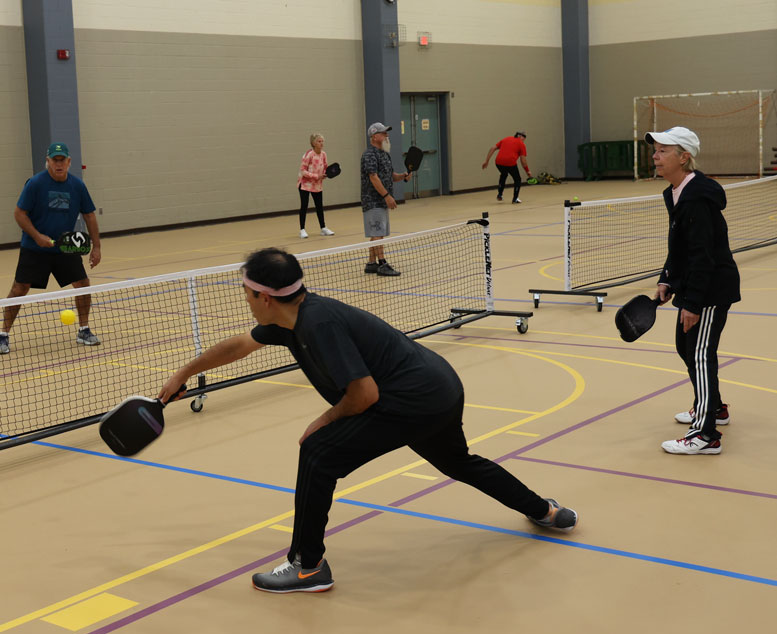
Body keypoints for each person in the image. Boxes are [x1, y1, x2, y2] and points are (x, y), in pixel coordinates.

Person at [157, 247, 577, 593]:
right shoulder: (290, 319)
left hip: (410, 400)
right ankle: (543, 510)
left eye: (246, 292)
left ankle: (307, 566)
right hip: (440, 387)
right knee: (458, 461)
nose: (244, 299)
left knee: (319, 454)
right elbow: (238, 346)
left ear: (263, 297)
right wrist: (185, 373)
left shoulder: (318, 325)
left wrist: (323, 421)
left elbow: (364, 395)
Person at [647, 126, 740, 455]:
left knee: (700, 354)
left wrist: (694, 303)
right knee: (687, 349)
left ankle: (705, 435)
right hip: (695, 284)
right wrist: (667, 277)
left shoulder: (698, 197)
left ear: (683, 157)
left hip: (711, 288)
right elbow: (680, 246)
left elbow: (704, 254)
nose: (655, 157)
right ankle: (713, 406)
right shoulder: (673, 192)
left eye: (662, 151)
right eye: (655, 150)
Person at [0, 142, 102, 355]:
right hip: (34, 248)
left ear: (69, 162)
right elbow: (19, 213)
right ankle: (3, 335)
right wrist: (37, 236)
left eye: (62, 160)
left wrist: (96, 246)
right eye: (55, 160)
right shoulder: (35, 184)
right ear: (48, 162)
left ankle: (83, 329)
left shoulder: (77, 186)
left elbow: (89, 214)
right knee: (19, 289)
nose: (59, 164)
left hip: (64, 247)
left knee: (83, 284)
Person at [360, 122, 410, 276]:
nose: (387, 136)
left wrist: (402, 176)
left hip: (381, 201)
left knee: (378, 232)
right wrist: (387, 196)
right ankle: (382, 264)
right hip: (373, 200)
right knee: (377, 231)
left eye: (386, 133)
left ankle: (371, 263)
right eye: (383, 133)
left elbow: (390, 176)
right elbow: (373, 177)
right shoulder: (369, 155)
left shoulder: (384, 154)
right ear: (375, 137)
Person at [297, 133, 334, 239]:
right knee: (304, 206)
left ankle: (323, 228)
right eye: (319, 141)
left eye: (322, 141)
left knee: (319, 207)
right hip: (305, 184)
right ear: (313, 143)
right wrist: (317, 176)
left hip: (317, 184)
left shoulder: (324, 154)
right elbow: (303, 171)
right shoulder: (308, 155)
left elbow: (326, 167)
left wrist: (326, 174)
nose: (321, 143)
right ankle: (302, 230)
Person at [481, 131, 531, 203]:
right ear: (521, 137)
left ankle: (500, 194)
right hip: (510, 163)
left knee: (504, 174)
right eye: (524, 138)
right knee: (517, 180)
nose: (524, 140)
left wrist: (486, 161)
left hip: (498, 162)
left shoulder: (506, 139)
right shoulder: (521, 144)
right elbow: (523, 160)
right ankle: (515, 199)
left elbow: (493, 148)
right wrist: (527, 171)